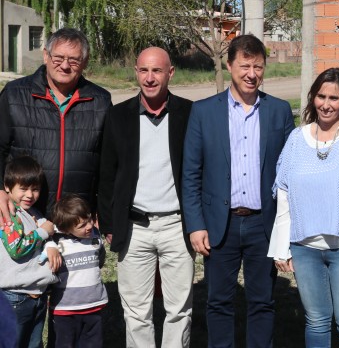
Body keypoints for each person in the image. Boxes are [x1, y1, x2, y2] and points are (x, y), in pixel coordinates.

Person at [182, 34, 294, 348]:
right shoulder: (204, 112)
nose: (251, 74)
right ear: (230, 65)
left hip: (263, 224)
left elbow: (290, 173)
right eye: (245, 66)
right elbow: (191, 174)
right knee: (218, 301)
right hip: (221, 224)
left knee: (263, 301)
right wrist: (196, 225)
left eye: (258, 67)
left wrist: (286, 228)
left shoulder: (279, 111)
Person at [268, 68, 339, 348]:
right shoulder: (296, 139)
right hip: (305, 249)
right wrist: (281, 245)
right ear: (313, 98)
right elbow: (284, 193)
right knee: (316, 322)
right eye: (321, 96)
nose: (326, 104)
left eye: (334, 98)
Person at [98, 47, 194, 347]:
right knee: (136, 312)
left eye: (156, 71)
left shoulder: (190, 113)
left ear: (170, 73)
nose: (149, 78)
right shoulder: (118, 116)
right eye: (143, 70)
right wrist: (109, 224)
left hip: (177, 227)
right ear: (136, 72)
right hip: (134, 227)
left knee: (179, 310)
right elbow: (107, 174)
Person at [0, 27, 111, 220]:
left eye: (74, 60)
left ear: (85, 62)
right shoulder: (14, 94)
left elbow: (107, 164)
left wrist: (102, 212)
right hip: (22, 216)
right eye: (58, 58)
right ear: (46, 56)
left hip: (76, 220)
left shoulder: (100, 101)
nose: (65, 66)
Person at [0, 155, 57, 348]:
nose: (30, 195)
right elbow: (16, 248)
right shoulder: (8, 214)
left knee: (34, 344)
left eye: (35, 189)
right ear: (7, 187)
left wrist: (50, 244)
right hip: (15, 297)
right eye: (23, 189)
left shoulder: (34, 213)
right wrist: (43, 232)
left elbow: (48, 233)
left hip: (37, 296)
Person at [47, 194, 108, 348]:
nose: (89, 226)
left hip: (93, 305)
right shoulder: (56, 243)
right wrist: (49, 245)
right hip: (65, 309)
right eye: (81, 226)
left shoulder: (95, 237)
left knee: (93, 344)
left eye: (89, 220)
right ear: (65, 229)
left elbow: (100, 260)